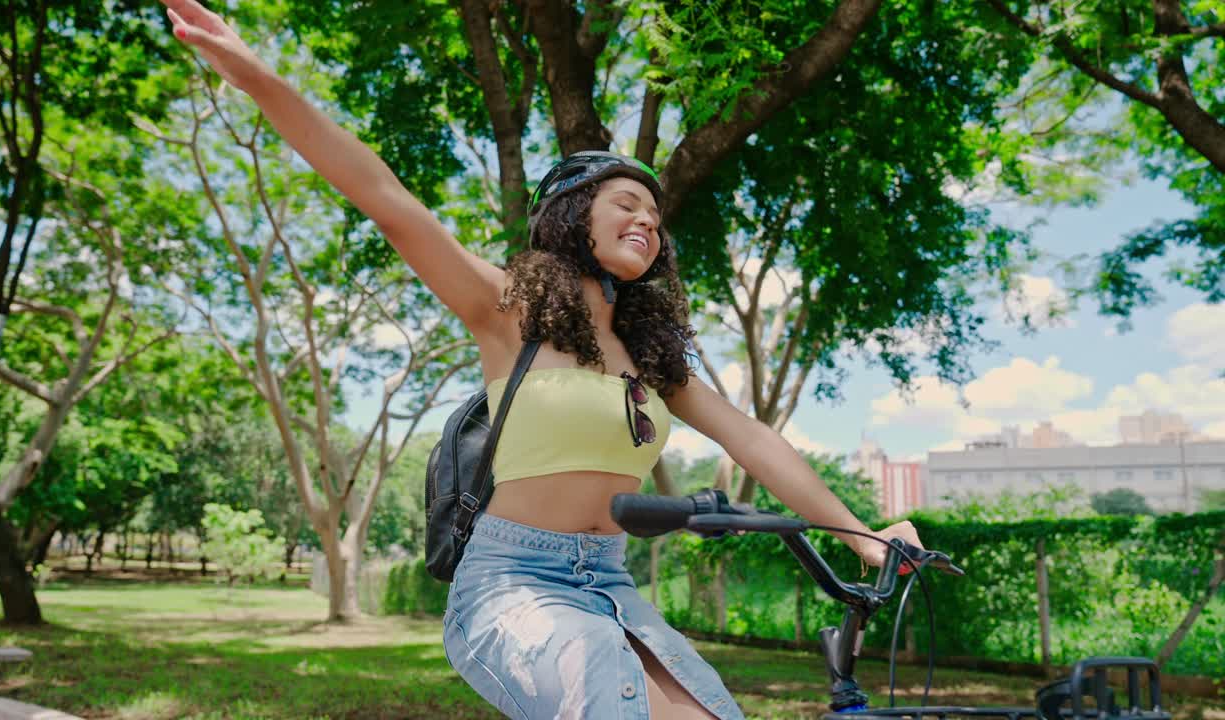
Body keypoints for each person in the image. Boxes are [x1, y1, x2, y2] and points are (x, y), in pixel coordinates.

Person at [160, 2, 924, 718]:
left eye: (655, 216)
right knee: (603, 686)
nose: (646, 219)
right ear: (571, 215)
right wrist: (255, 75)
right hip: (510, 585)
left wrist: (863, 534)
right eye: (625, 202)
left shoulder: (654, 359)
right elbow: (382, 194)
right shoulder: (507, 311)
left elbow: (753, 439)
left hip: (612, 585)